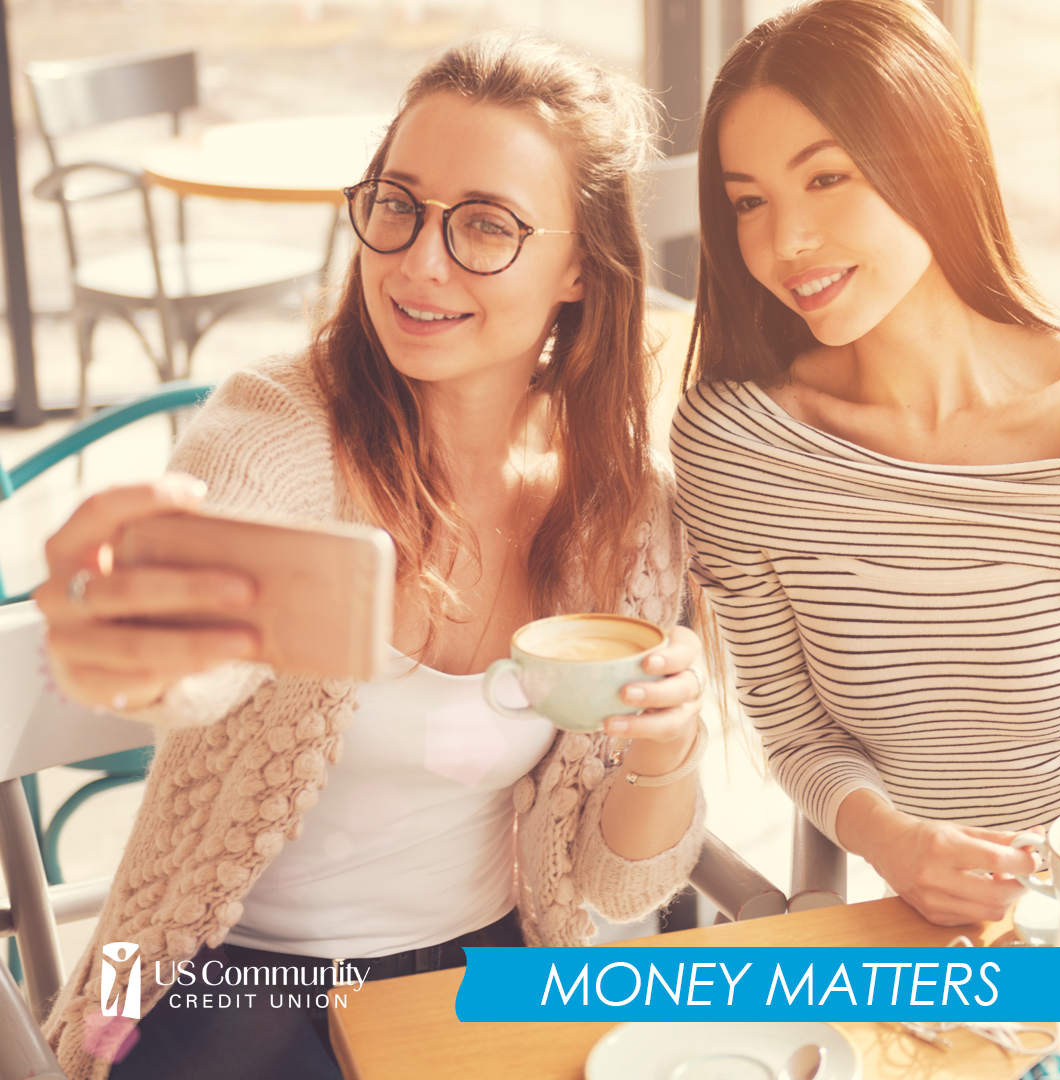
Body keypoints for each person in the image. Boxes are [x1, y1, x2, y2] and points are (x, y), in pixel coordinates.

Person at [35, 31, 707, 1080]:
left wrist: (668, 746)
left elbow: (617, 890)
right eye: (399, 204)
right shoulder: (276, 427)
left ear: (581, 265)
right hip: (217, 977)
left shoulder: (624, 511)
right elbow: (201, 658)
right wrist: (145, 636)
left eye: (485, 224)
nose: (418, 261)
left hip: (481, 974)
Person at [673, 0, 1060, 928]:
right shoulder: (737, 446)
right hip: (911, 930)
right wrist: (896, 843)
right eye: (749, 202)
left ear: (933, 160)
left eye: (826, 178)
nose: (785, 242)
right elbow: (795, 728)